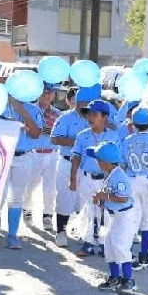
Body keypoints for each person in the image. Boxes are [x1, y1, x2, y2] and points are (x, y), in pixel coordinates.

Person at [70, 99, 122, 258]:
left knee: (106, 211)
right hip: (87, 178)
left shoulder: (113, 136)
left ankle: (104, 243)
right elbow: (76, 158)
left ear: (105, 117)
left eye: (94, 114)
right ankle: (88, 244)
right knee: (89, 210)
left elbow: (119, 160)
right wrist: (73, 178)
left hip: (106, 179)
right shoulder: (82, 136)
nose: (90, 117)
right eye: (88, 114)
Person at [87, 141, 137, 295]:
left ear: (104, 162)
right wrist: (102, 200)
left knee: (120, 246)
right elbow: (111, 197)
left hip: (125, 217)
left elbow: (122, 198)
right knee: (109, 246)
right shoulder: (110, 174)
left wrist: (104, 196)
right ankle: (115, 277)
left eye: (98, 159)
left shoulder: (119, 176)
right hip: (115, 217)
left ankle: (128, 279)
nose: (96, 161)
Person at [0, 96, 46, 250]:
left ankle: (12, 235)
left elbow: (36, 133)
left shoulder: (32, 108)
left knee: (16, 198)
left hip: (23, 156)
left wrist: (22, 111)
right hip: (2, 156)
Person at [52, 86, 98, 247]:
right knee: (65, 198)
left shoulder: (95, 118)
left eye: (88, 103)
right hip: (67, 162)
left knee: (84, 201)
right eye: (82, 102)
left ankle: (82, 230)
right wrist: (77, 143)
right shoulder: (65, 118)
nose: (85, 105)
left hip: (88, 166)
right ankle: (61, 231)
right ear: (76, 102)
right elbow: (55, 139)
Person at [122, 108, 148, 268]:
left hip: (132, 180)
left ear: (133, 124)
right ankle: (144, 255)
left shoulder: (127, 140)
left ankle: (128, 253)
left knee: (132, 218)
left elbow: (123, 163)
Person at [22, 83, 61, 232]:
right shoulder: (30, 110)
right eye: (44, 92)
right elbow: (26, 128)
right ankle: (27, 209)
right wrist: (40, 130)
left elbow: (60, 133)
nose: (47, 96)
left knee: (50, 188)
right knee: (30, 186)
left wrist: (52, 132)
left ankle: (48, 216)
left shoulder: (58, 113)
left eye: (50, 93)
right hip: (34, 153)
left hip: (52, 154)